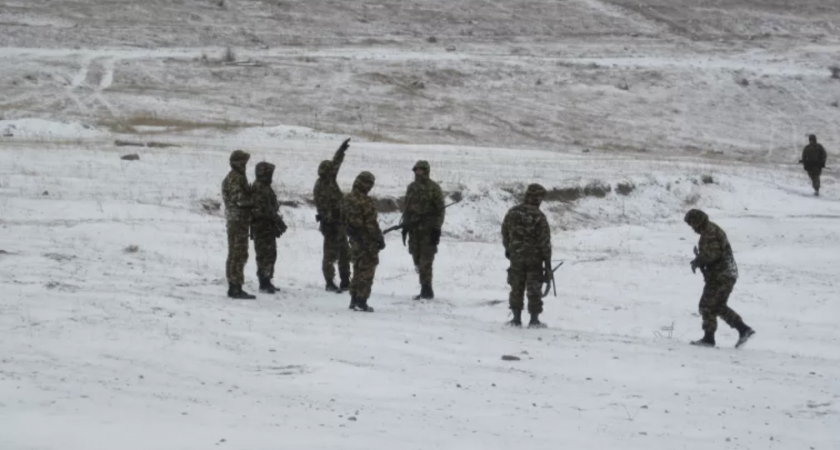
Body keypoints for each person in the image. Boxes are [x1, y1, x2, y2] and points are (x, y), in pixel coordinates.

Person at [684, 209, 755, 348]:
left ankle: (711, 338)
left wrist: (700, 261)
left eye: (692, 224)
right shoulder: (709, 231)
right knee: (715, 306)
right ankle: (741, 330)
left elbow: (714, 255)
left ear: (697, 222)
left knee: (708, 305)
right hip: (723, 275)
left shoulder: (710, 233)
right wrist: (699, 260)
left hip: (722, 275)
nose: (692, 228)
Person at [501, 183, 552, 328]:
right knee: (534, 287)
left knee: (516, 286)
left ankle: (516, 319)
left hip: (516, 256)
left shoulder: (512, 212)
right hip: (534, 259)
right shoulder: (539, 216)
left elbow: (505, 232)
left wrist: (508, 249)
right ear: (537, 198)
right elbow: (544, 241)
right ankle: (534, 320)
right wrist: (547, 261)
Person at [401, 160, 445, 300]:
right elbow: (406, 208)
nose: (418, 172)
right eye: (416, 170)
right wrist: (405, 225)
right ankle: (424, 285)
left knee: (426, 260)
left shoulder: (434, 188)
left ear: (426, 170)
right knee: (416, 258)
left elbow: (440, 211)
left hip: (428, 230)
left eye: (420, 170)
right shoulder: (411, 187)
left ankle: (427, 289)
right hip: (414, 231)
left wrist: (436, 229)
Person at [342, 171, 385, 312]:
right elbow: (371, 224)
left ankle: (354, 300)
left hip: (354, 240)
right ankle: (361, 301)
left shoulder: (347, 198)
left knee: (357, 269)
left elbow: (342, 220)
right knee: (366, 271)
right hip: (367, 241)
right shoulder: (365, 201)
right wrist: (379, 239)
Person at [313, 138, 352, 293]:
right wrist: (332, 218)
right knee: (330, 255)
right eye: (329, 171)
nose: (332, 172)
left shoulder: (330, 179)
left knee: (344, 253)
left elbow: (336, 163)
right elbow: (323, 209)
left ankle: (345, 281)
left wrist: (341, 150)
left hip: (340, 224)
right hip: (330, 226)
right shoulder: (320, 187)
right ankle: (329, 282)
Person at [221, 150, 255, 299]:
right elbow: (239, 199)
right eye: (243, 162)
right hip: (237, 221)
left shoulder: (238, 176)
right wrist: (254, 201)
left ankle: (235, 285)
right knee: (238, 253)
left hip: (239, 220)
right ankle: (235, 287)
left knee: (237, 253)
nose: (245, 165)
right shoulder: (235, 178)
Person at [251, 162, 287, 294]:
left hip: (268, 226)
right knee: (264, 254)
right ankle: (264, 282)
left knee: (271, 253)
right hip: (262, 226)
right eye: (269, 173)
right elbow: (260, 209)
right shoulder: (259, 187)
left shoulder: (265, 187)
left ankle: (268, 279)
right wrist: (274, 217)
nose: (271, 175)